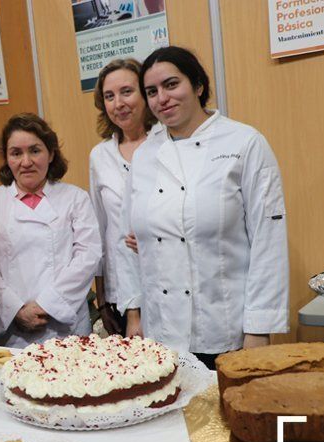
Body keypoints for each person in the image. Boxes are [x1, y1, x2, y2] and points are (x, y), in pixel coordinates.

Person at [117, 46, 289, 368]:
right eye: (151, 91)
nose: (162, 99)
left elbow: (269, 242)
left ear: (197, 85)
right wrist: (134, 313)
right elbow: (129, 242)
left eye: (171, 84)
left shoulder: (244, 143)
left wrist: (259, 328)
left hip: (226, 330)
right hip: (160, 332)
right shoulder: (144, 156)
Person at [0, 113, 102, 348]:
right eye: (16, 153)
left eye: (35, 151)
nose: (26, 162)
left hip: (66, 327)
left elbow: (88, 256)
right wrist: (16, 309)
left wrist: (47, 304)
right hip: (13, 330)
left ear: (51, 153)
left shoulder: (75, 198)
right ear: (7, 158)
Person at [89, 58, 160, 336]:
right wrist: (103, 297)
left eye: (126, 92)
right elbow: (100, 227)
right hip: (120, 292)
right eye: (109, 96)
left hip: (166, 283)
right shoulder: (99, 156)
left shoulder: (166, 144)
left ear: (145, 94)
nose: (118, 103)